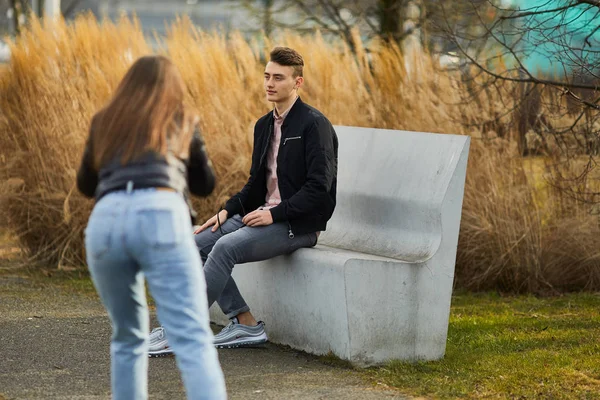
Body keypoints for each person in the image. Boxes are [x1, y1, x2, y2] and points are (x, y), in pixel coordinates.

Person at [148, 46, 338, 356]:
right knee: (192, 241)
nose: (270, 84)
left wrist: (275, 214)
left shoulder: (314, 125)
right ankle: (245, 322)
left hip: (298, 224)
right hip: (263, 215)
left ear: (297, 83)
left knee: (224, 248)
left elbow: (319, 188)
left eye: (279, 78)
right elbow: (254, 186)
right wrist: (225, 212)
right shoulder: (264, 126)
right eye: (266, 77)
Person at [77, 55, 227, 400]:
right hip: (160, 213)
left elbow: (86, 184)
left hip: (107, 220)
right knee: (191, 337)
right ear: (172, 88)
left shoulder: (105, 121)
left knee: (128, 336)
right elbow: (205, 184)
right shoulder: (181, 118)